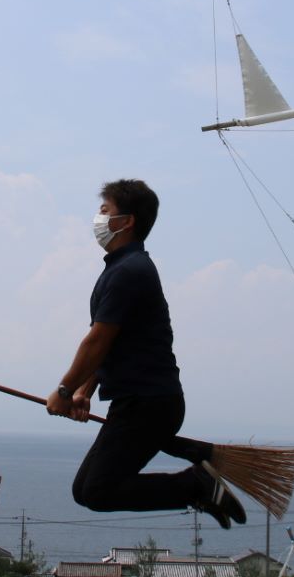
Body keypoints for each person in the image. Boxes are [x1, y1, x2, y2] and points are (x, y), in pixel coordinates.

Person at [46, 179, 246, 528]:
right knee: (86, 491)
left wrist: (64, 390)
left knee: (96, 490)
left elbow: (96, 341)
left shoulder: (130, 271)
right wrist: (84, 391)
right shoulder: (122, 269)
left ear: (127, 221)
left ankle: (195, 484)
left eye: (104, 211)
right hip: (143, 403)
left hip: (149, 404)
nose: (97, 218)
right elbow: (108, 343)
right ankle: (195, 486)